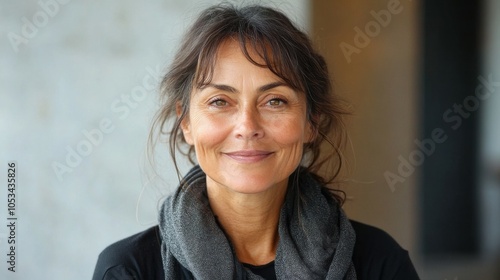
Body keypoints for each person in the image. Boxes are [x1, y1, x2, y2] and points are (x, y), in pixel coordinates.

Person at [92, 4, 420, 280]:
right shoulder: (129, 269)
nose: (247, 127)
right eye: (220, 101)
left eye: (274, 101)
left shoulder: (379, 264)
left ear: (311, 122)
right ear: (186, 122)